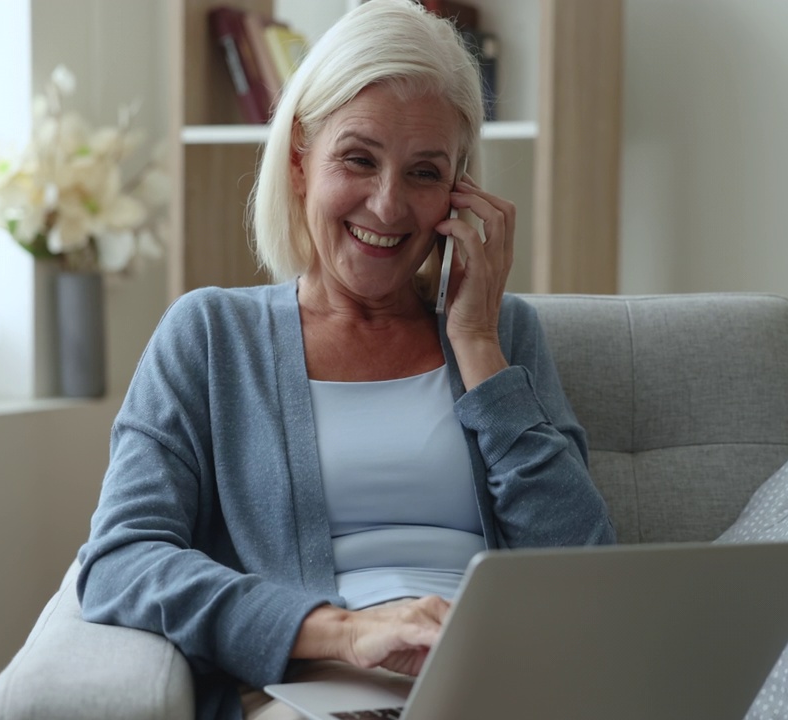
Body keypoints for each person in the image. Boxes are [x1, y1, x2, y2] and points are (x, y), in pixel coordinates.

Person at [75, 1, 616, 718]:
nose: (389, 207)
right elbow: (120, 561)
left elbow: (583, 571)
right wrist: (343, 633)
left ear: (462, 192)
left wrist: (479, 346)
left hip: (499, 685)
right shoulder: (209, 335)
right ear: (300, 160)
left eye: (425, 173)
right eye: (359, 159)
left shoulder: (502, 333)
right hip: (319, 693)